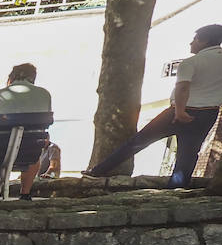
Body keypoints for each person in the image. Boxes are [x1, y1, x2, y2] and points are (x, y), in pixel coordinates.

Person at [86, 25, 222, 187]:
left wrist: (179, 111)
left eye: (195, 39)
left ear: (204, 41)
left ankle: (98, 171)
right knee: (188, 153)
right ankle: (176, 188)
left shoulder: (192, 62)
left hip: (179, 111)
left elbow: (183, 88)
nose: (191, 43)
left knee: (140, 140)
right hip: (208, 113)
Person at [0, 63, 52, 200]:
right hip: (28, 149)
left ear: (11, 77)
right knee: (34, 157)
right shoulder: (44, 94)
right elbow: (46, 123)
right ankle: (25, 193)